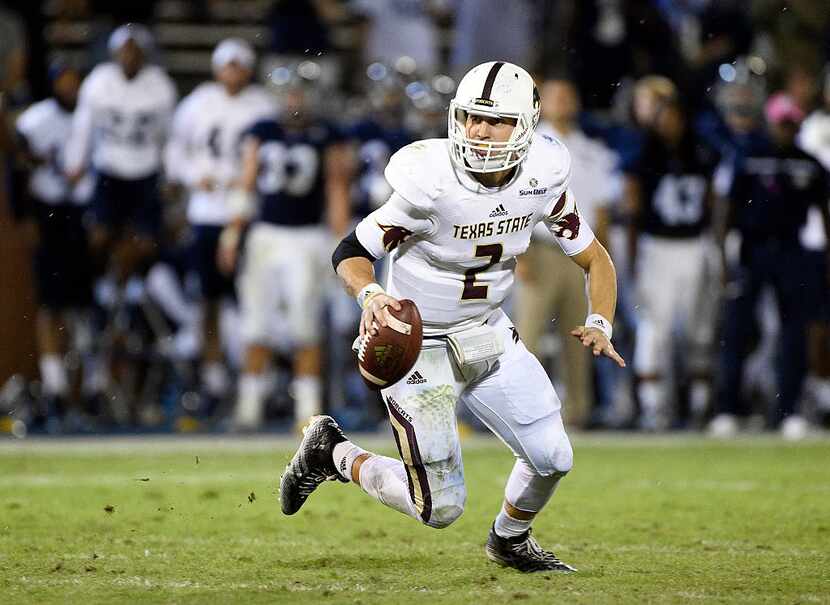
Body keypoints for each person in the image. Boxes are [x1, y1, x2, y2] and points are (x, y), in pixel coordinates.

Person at [281, 61, 625, 573]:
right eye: (471, 118)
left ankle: (510, 540)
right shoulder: (430, 185)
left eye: (496, 121)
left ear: (527, 125)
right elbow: (352, 249)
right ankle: (332, 452)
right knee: (439, 508)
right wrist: (371, 295)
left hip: (489, 335)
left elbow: (595, 257)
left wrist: (600, 321)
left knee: (554, 458)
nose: (480, 131)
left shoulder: (542, 178)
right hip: (419, 346)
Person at [218, 80, 351, 431]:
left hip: (307, 237)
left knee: (304, 326)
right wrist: (232, 233)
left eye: (300, 94)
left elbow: (337, 187)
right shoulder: (263, 131)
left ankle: (307, 413)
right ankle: (249, 408)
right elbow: (247, 181)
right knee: (255, 322)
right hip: (265, 234)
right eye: (289, 94)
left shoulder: (326, 135)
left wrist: (339, 243)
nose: (294, 101)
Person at [164, 38, 276, 414]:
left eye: (239, 65)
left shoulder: (262, 105)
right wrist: (196, 176)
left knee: (252, 298)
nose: (233, 72)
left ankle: (255, 378)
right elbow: (175, 151)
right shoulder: (198, 102)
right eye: (227, 65)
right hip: (207, 211)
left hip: (249, 213)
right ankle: (213, 376)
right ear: (217, 68)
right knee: (208, 299)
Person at [710, 92, 830, 439]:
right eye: (782, 123)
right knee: (737, 331)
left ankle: (789, 410)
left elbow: (824, 211)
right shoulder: (747, 156)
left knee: (794, 332)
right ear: (770, 122)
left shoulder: (808, 162)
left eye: (792, 123)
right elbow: (725, 210)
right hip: (752, 249)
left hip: (793, 252)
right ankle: (727, 409)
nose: (786, 129)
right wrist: (722, 257)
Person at [516, 77, 616, 428]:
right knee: (527, 336)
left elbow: (601, 209)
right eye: (555, 96)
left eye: (567, 95)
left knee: (580, 337)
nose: (562, 102)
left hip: (580, 252)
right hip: (540, 249)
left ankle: (578, 412)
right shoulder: (527, 145)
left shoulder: (592, 149)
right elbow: (516, 202)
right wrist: (520, 254)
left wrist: (602, 259)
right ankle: (523, 413)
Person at [623, 96, 719, 430]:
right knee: (654, 329)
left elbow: (713, 202)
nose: (670, 124)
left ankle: (698, 405)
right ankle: (653, 407)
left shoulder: (701, 153)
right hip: (657, 245)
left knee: (698, 329)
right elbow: (633, 208)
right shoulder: (644, 156)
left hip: (693, 244)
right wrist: (634, 257)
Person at [15, 63, 95, 430]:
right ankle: (54, 388)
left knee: (81, 309)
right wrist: (26, 217)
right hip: (48, 215)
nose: (69, 86)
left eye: (74, 80)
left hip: (81, 216)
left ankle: (82, 391)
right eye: (63, 79)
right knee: (50, 304)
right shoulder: (36, 119)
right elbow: (17, 169)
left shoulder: (92, 115)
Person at [64, 24, 177, 284]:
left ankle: (134, 289)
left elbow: (169, 136)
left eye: (135, 52)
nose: (129, 57)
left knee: (146, 241)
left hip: (145, 168)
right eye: (124, 51)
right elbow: (83, 126)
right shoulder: (99, 80)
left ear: (145, 54)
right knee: (99, 235)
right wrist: (75, 162)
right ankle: (100, 287)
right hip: (109, 166)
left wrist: (171, 172)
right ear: (114, 54)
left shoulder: (160, 85)